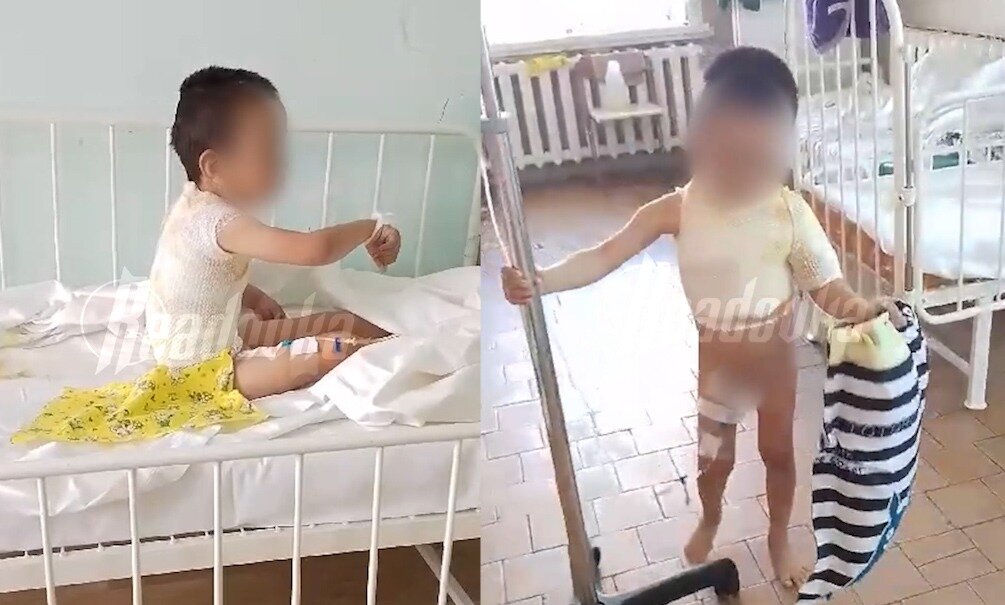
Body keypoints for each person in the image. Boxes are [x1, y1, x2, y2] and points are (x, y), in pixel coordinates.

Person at [500, 47, 901, 589]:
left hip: (774, 365)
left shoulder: (788, 212)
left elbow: (828, 287)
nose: (739, 172)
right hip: (718, 367)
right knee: (713, 461)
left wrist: (862, 310)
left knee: (779, 456)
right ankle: (710, 516)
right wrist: (542, 280)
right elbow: (604, 254)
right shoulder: (679, 207)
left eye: (756, 157)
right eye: (725, 153)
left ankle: (778, 536)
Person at [148, 66, 401, 400]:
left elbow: (203, 280)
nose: (281, 165)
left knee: (340, 321)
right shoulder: (219, 221)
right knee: (334, 348)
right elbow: (314, 250)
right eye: (267, 153)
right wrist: (369, 228)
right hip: (199, 372)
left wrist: (252, 297)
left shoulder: (194, 207)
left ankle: (403, 341)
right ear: (215, 167)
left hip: (218, 336)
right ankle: (403, 355)